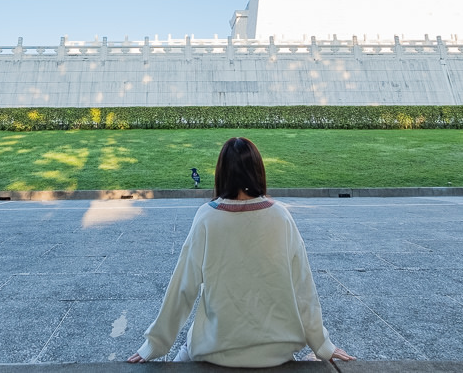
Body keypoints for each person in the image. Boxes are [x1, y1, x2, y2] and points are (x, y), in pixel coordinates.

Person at [127, 136, 355, 366]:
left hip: (215, 348)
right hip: (276, 351)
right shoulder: (281, 217)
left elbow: (183, 287)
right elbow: (303, 288)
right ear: (258, 171)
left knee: (183, 354)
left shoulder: (207, 217)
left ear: (221, 172)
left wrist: (154, 345)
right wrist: (322, 345)